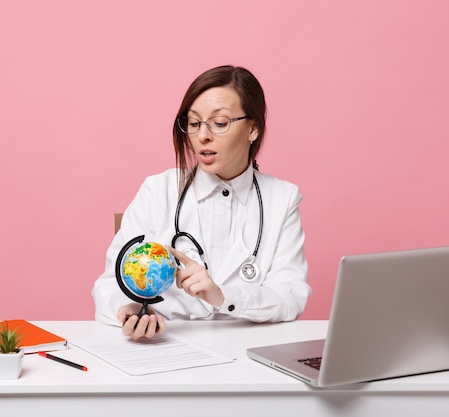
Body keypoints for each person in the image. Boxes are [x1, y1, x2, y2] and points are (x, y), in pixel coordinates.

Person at [92, 65, 311, 340]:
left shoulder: (282, 198)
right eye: (194, 123)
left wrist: (222, 296)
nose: (202, 136)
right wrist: (128, 310)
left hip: (245, 353)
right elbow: (108, 286)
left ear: (253, 129)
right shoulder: (158, 191)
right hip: (166, 350)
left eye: (219, 124)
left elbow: (289, 297)